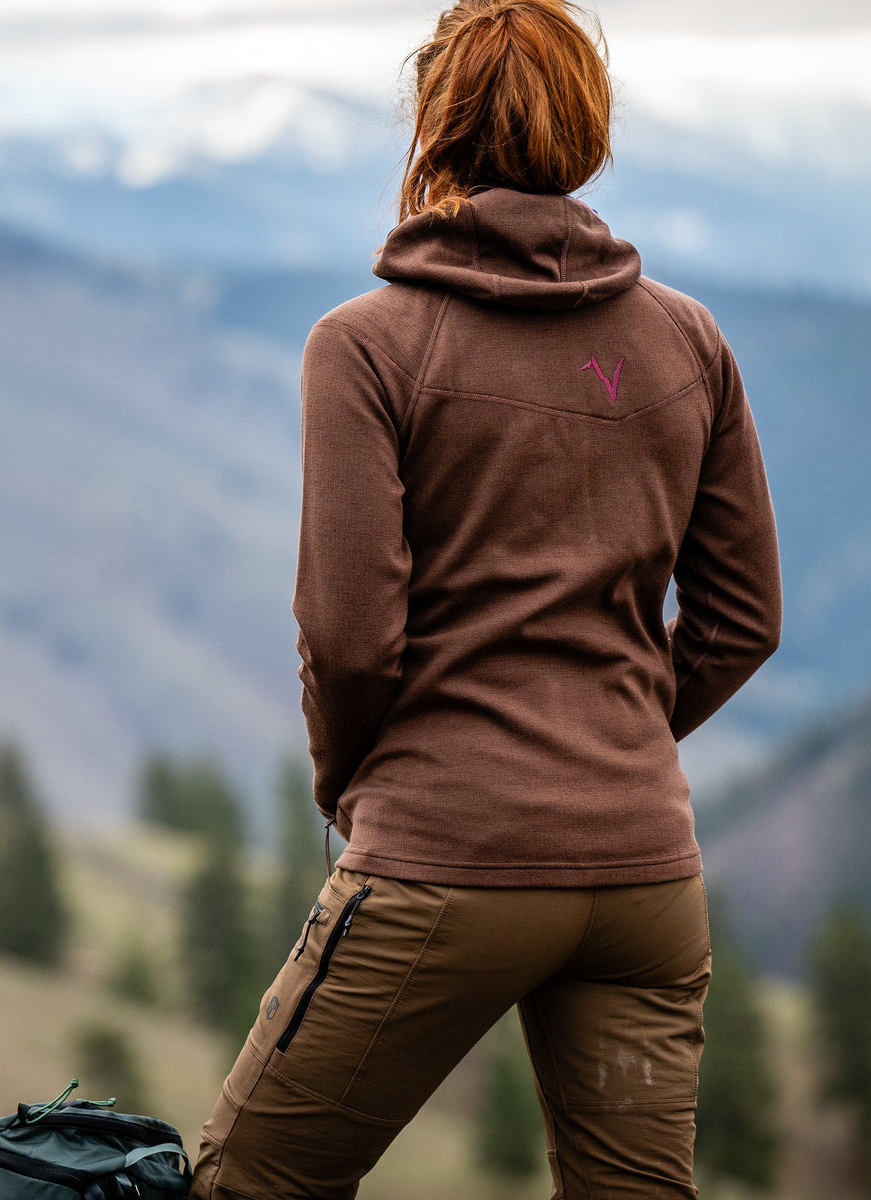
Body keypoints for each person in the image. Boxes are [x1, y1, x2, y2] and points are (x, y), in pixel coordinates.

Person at [188, 0, 782, 1196]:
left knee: (248, 1184)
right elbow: (743, 619)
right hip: (645, 881)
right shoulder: (691, 342)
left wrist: (349, 783)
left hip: (441, 862)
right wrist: (611, 745)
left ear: (436, 126)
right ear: (589, 131)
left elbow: (351, 641)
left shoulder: (366, 346)